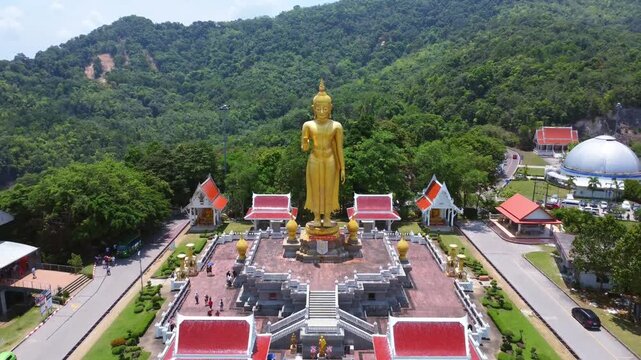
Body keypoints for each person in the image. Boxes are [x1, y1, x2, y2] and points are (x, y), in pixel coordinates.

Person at [301, 80, 345, 227]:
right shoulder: (308, 125)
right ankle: (316, 216)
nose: (321, 112)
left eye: (325, 108)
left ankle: (327, 216)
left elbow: (339, 148)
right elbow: (305, 148)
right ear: (313, 108)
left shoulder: (336, 126)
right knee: (315, 188)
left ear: (330, 108)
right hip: (314, 159)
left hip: (330, 159)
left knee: (328, 187)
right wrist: (305, 142)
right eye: (318, 108)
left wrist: (343, 168)